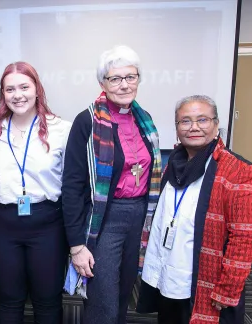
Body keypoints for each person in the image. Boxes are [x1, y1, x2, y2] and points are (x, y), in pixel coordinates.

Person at [136, 95, 252, 324]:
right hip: (170, 274)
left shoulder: (238, 170)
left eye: (202, 120)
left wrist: (229, 287)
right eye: (185, 121)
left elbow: (245, 238)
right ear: (176, 129)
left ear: (216, 126)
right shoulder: (173, 164)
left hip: (206, 281)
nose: (193, 127)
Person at [62, 45, 162, 324]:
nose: (124, 85)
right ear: (102, 83)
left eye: (131, 77)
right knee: (103, 297)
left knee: (122, 295)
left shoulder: (145, 120)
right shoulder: (88, 121)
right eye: (115, 79)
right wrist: (76, 245)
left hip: (139, 216)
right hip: (105, 218)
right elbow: (71, 186)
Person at [0, 61, 71, 323]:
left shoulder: (62, 130)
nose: (17, 95)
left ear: (37, 89)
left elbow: (73, 181)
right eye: (9, 89)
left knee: (48, 299)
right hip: (1, 223)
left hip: (47, 222)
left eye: (24, 87)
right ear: (2, 95)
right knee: (8, 299)